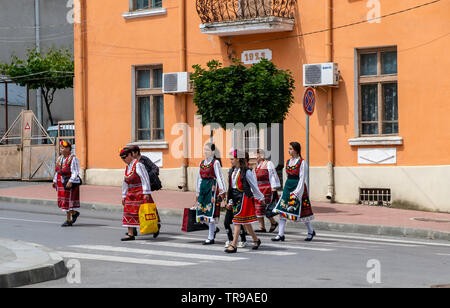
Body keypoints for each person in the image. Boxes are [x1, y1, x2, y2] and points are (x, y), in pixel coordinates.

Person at [272, 142, 316, 242]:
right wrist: (285, 189)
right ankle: (280, 234)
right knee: (282, 210)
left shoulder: (302, 162)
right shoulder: (288, 162)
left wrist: (297, 192)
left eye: (291, 149)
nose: (289, 150)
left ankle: (310, 231)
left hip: (298, 188)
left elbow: (302, 178)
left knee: (302, 212)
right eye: (289, 149)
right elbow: (287, 176)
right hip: (288, 187)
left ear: (296, 150)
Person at [224, 149, 265, 253]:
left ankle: (233, 244)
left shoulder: (246, 171)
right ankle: (256, 240)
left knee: (237, 221)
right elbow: (231, 188)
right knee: (246, 222)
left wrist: (261, 197)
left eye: (232, 159)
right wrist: (229, 201)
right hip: (235, 198)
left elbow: (254, 186)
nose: (231, 161)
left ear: (238, 159)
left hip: (244, 198)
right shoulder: (232, 171)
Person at [120, 147, 158, 241]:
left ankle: (154, 227)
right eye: (122, 158)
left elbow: (145, 178)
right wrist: (123, 195)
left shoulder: (138, 165)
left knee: (144, 213)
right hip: (130, 193)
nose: (123, 160)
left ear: (130, 155)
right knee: (128, 213)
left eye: (124, 157)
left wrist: (146, 192)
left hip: (140, 192)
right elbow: (125, 182)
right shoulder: (127, 167)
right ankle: (130, 234)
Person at [196, 143, 226, 245]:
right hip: (203, 188)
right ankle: (213, 229)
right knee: (201, 212)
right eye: (204, 149)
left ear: (213, 152)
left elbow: (219, 176)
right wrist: (197, 191)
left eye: (207, 150)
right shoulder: (201, 163)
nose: (205, 151)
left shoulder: (215, 163)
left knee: (210, 213)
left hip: (212, 188)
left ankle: (210, 237)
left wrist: (222, 190)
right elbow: (199, 178)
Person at [53, 140, 81, 227]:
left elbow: (75, 171)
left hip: (69, 182)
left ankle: (69, 220)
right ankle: (75, 213)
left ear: (69, 149)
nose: (62, 149)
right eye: (61, 148)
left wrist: (70, 181)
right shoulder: (59, 159)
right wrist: (54, 181)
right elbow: (57, 171)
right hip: (61, 182)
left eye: (65, 148)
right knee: (63, 202)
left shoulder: (73, 159)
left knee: (67, 202)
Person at [253, 149, 281, 233]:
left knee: (266, 208)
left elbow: (273, 176)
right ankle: (262, 227)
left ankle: (273, 222)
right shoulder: (257, 166)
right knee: (258, 209)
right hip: (258, 190)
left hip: (267, 189)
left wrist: (274, 188)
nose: (255, 157)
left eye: (257, 155)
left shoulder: (268, 163)